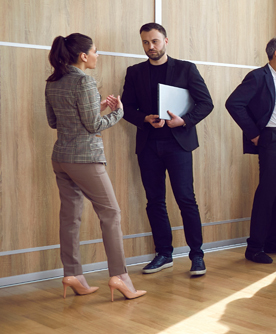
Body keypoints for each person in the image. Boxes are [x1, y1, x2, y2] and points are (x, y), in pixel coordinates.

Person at [45, 33, 146, 301]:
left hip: (61, 158)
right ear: (83, 56)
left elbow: (55, 121)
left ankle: (73, 274)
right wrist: (118, 112)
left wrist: (96, 106)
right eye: (96, 51)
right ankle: (120, 277)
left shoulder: (53, 81)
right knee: (111, 214)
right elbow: (93, 126)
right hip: (86, 159)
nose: (98, 56)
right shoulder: (85, 81)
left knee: (70, 217)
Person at [121, 23, 214, 276]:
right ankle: (164, 254)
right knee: (154, 201)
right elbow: (126, 108)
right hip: (149, 144)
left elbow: (206, 103)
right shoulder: (134, 72)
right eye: (145, 42)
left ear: (166, 41)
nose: (150, 47)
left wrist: (183, 120)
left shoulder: (186, 69)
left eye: (155, 41)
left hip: (178, 143)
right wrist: (144, 118)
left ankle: (197, 255)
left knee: (186, 199)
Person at [225, 36, 276, 264]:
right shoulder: (258, 76)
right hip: (273, 140)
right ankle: (255, 247)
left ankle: (274, 241)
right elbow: (234, 103)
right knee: (267, 194)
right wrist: (255, 134)